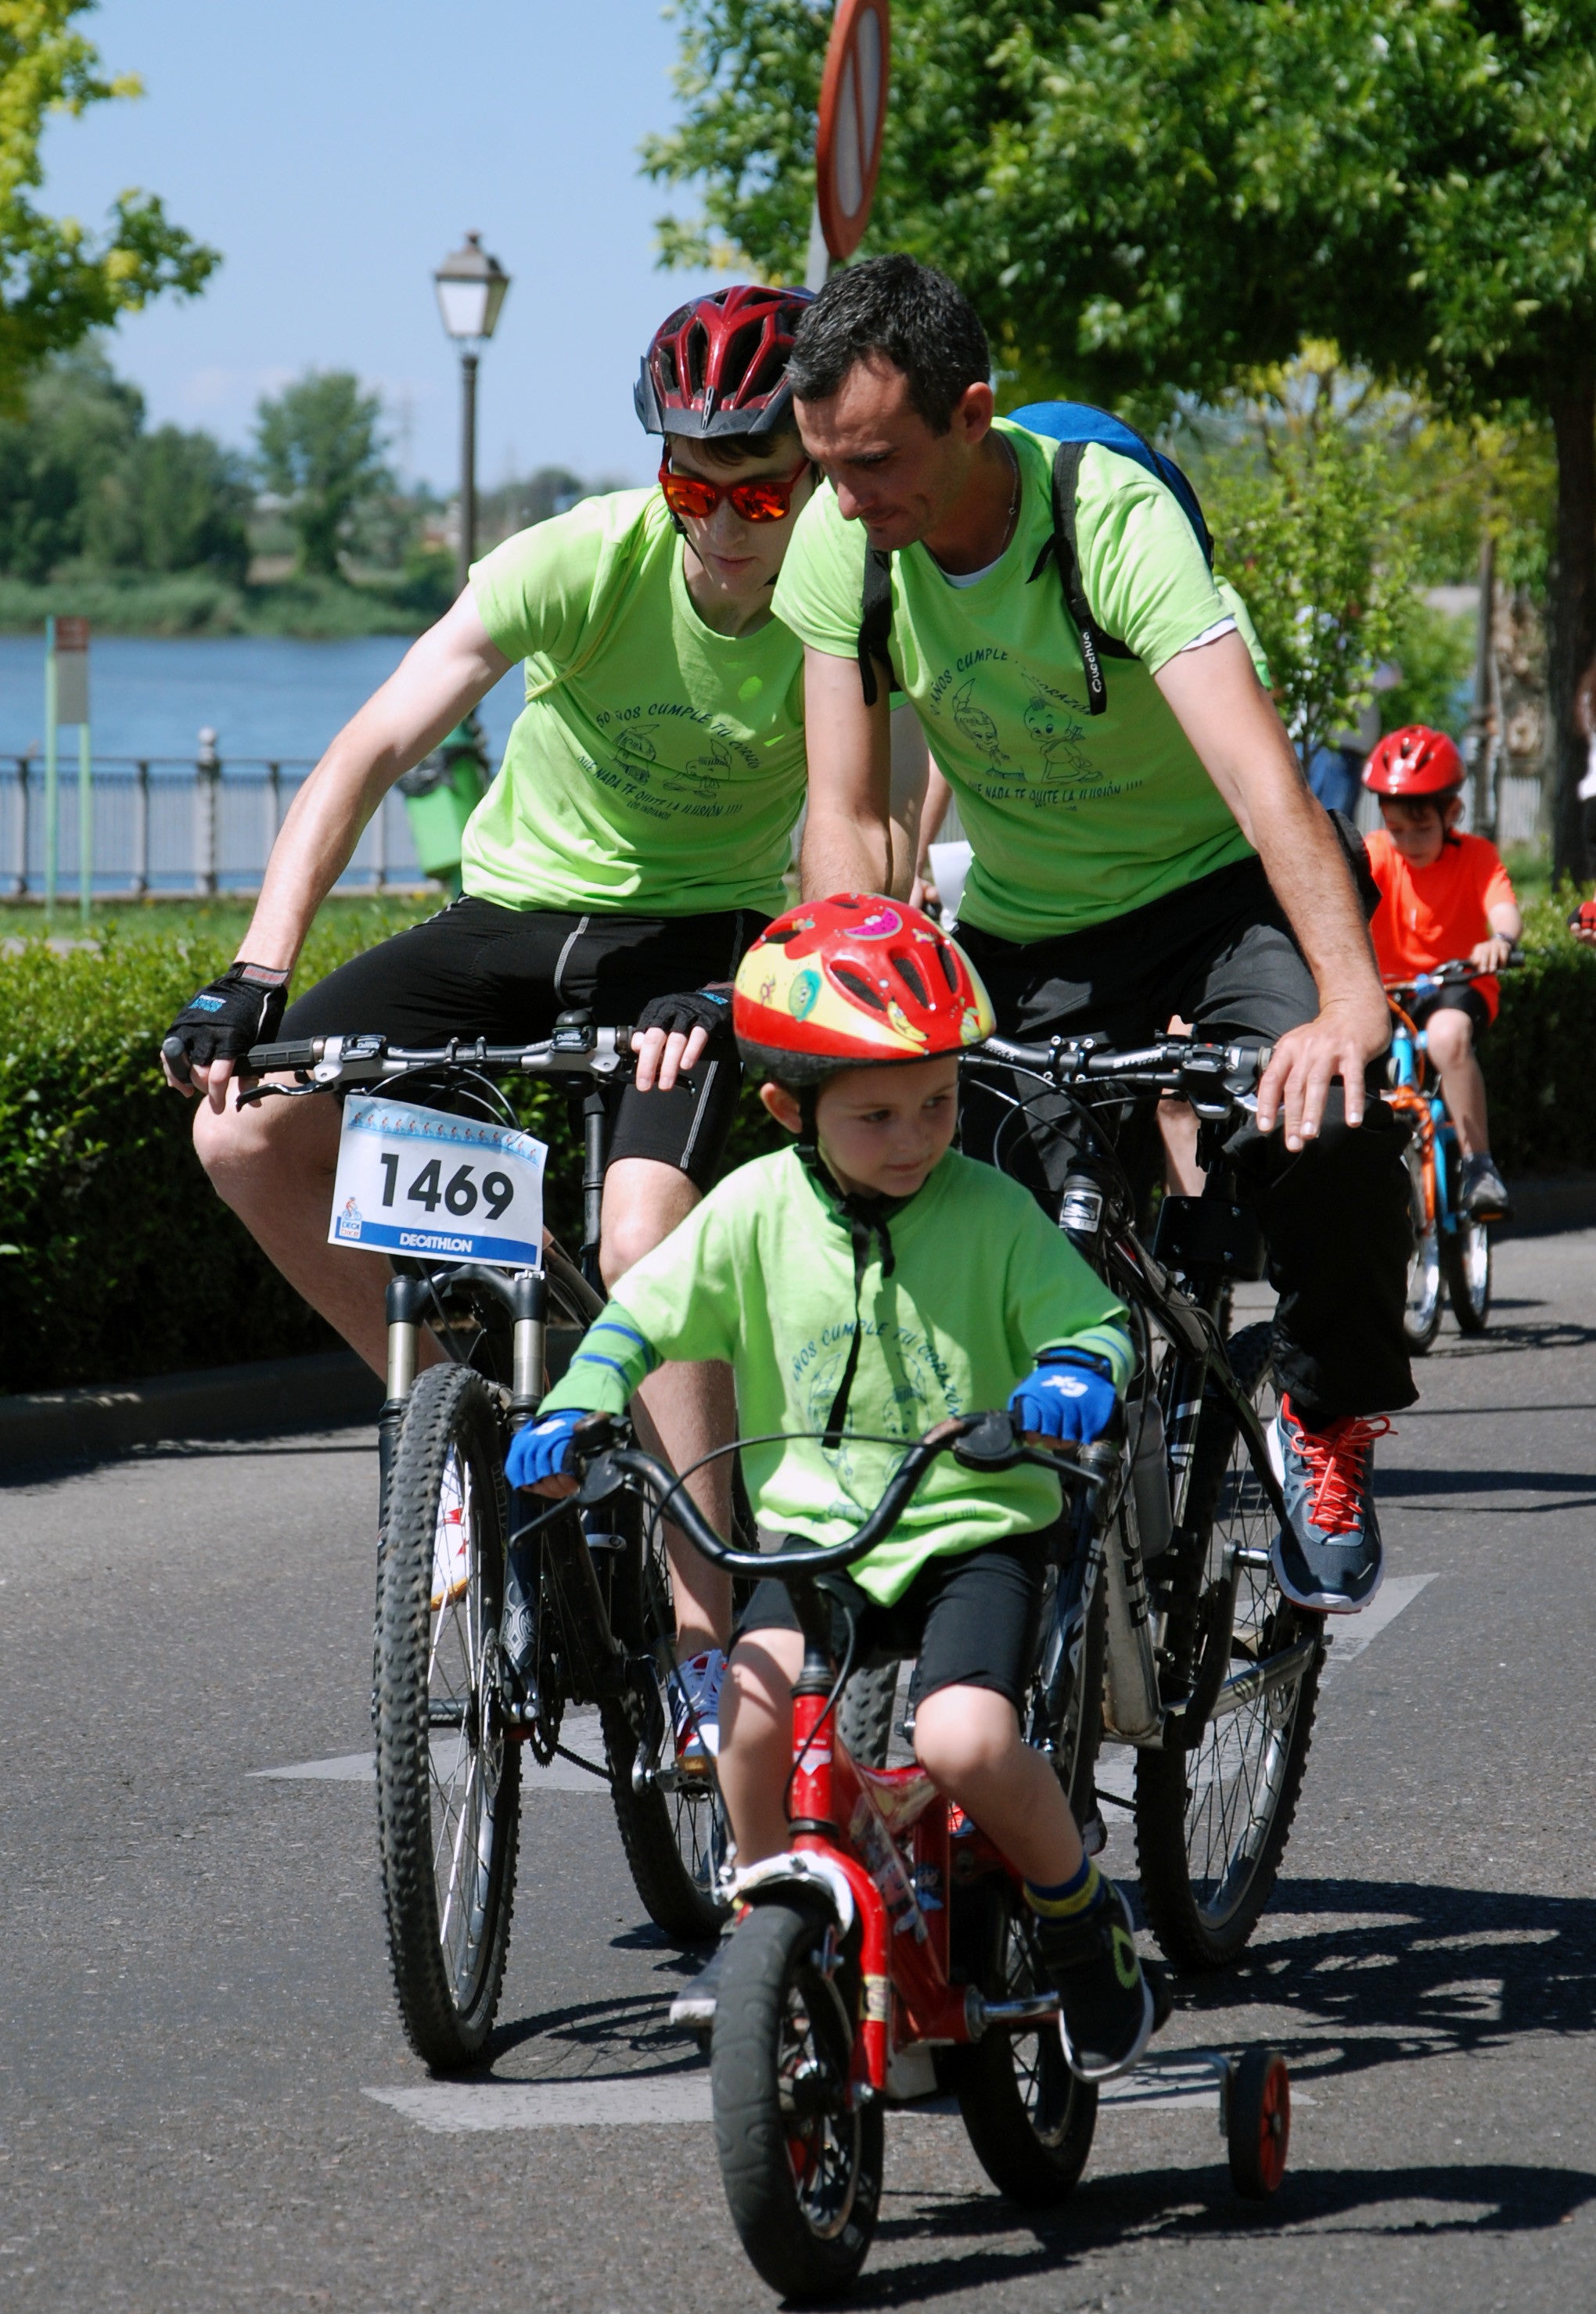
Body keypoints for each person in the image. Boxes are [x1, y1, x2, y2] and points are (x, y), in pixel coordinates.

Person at [159, 286, 928, 1760]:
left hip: (701, 938)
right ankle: (469, 1416)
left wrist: (763, 981)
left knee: (646, 1234)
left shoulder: (850, 587)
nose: (723, 525)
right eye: (692, 487)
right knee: (244, 1130)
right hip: (507, 921)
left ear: (813, 479)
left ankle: (714, 1629)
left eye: (760, 489)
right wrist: (258, 970)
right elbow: (379, 738)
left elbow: (883, 819)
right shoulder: (584, 555)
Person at [767, 253, 1416, 1617]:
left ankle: (1326, 1419)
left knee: (1330, 1118)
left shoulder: (1106, 520)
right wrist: (856, 1013)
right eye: (827, 465)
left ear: (973, 414)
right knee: (937, 1175)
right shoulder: (848, 544)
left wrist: (1351, 1002)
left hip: (1211, 890)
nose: (849, 497)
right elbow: (842, 812)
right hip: (1028, 924)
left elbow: (1260, 782)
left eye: (876, 460)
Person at [509, 895, 1164, 2082]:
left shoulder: (993, 1211)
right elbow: (642, 1315)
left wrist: (1072, 1375)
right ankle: (775, 1929)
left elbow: (1095, 1325)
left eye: (939, 1102)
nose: (918, 1136)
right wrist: (576, 1402)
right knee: (750, 1727)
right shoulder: (753, 1213)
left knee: (966, 1738)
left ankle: (1079, 1917)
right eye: (876, 1115)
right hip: (811, 1537)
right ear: (785, 1109)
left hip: (972, 1527)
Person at [1363, 724, 1522, 1219]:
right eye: (1396, 828)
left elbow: (1504, 909)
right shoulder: (1375, 854)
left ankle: (1479, 1165)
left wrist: (1500, 941)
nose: (1407, 841)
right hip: (1389, 994)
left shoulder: (1476, 856)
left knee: (1449, 1037)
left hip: (1456, 986)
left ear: (1452, 813)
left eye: (1422, 827)